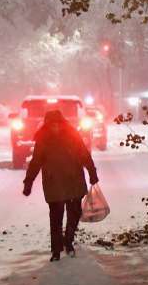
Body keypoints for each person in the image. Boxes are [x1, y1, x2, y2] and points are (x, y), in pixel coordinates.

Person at [21, 109, 100, 261]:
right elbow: (36, 162)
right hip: (54, 183)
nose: (55, 127)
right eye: (52, 124)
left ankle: (68, 241)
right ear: (47, 125)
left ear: (62, 123)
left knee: (74, 214)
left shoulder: (72, 136)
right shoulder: (43, 139)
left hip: (73, 180)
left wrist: (92, 172)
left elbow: (84, 154)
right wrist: (28, 182)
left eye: (58, 124)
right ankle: (56, 250)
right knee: (56, 217)